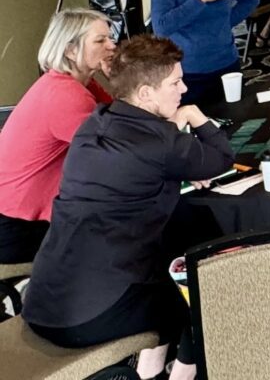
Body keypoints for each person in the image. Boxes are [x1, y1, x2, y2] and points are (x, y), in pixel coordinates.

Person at [22, 36, 234, 380]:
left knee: (164, 259)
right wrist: (195, 117)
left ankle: (150, 371)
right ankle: (184, 375)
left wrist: (176, 156)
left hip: (43, 300)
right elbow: (222, 158)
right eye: (175, 82)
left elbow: (141, 167)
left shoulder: (96, 122)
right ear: (146, 94)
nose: (183, 89)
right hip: (89, 317)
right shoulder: (162, 143)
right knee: (208, 291)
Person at [0, 10, 115, 263]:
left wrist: (117, 79)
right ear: (71, 50)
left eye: (110, 38)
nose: (112, 45)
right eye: (100, 40)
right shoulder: (66, 95)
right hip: (15, 226)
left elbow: (120, 118)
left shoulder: (78, 83)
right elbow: (116, 152)